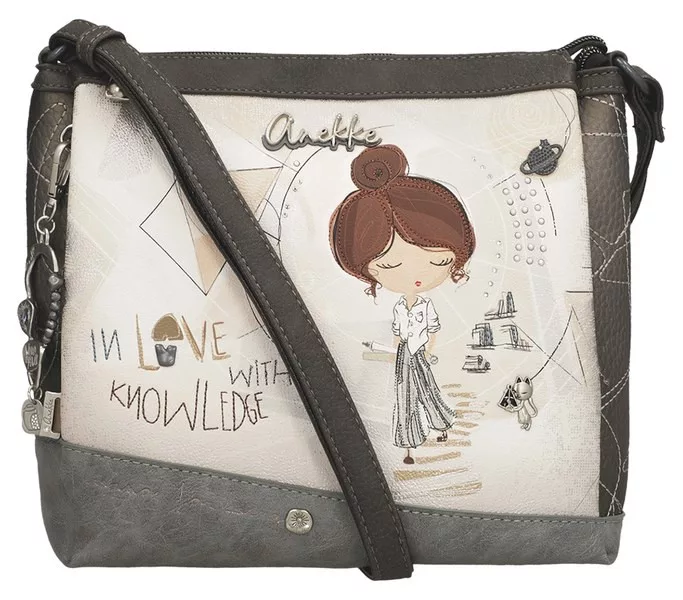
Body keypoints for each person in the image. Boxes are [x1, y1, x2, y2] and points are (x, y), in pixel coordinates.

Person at [329, 145, 476, 464]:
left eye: (439, 261)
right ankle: (409, 437)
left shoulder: (425, 307)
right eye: (389, 266)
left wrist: (426, 349)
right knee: (405, 393)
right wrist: (398, 349)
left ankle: (439, 422)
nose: (416, 275)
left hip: (418, 352)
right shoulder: (399, 308)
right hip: (403, 355)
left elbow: (431, 330)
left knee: (425, 388)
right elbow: (398, 332)